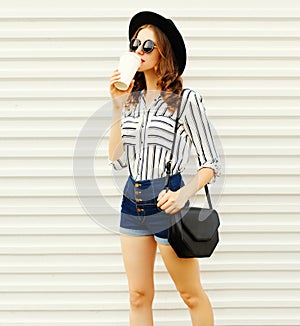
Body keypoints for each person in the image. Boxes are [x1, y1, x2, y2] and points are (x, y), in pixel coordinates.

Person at [109, 11, 220, 326]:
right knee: (138, 296)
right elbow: (116, 158)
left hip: (167, 201)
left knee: (191, 295)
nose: (138, 52)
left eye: (147, 47)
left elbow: (211, 162)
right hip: (131, 201)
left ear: (163, 54)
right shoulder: (131, 101)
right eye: (135, 46)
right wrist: (117, 106)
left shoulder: (185, 100)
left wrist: (183, 194)